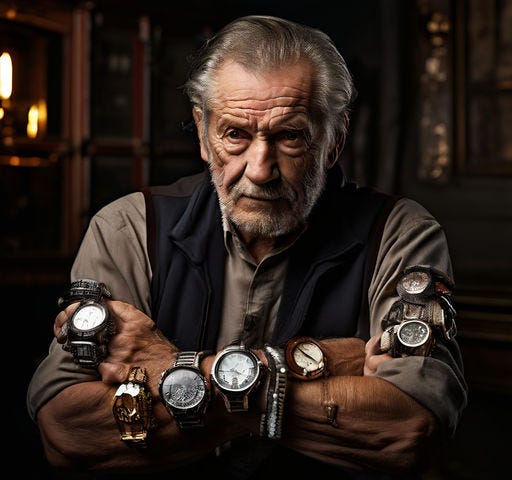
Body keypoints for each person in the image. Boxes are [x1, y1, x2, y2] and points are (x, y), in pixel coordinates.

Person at [27, 15, 468, 480]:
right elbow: (68, 431)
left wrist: (177, 371)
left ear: (334, 139)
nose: (260, 169)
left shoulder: (400, 232)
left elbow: (409, 430)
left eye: (290, 136)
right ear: (202, 133)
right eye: (235, 134)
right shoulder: (127, 227)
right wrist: (333, 364)